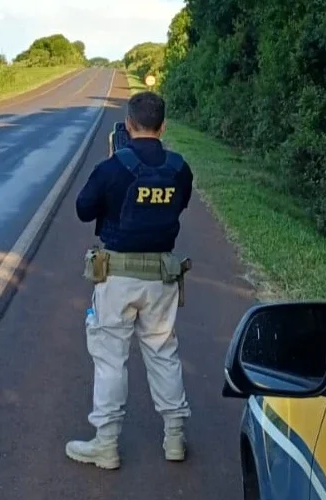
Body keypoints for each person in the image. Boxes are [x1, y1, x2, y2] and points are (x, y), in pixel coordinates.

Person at [67, 91, 194, 470]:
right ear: (163, 126)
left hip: (117, 277)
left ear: (127, 124)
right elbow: (179, 204)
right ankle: (174, 439)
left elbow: (82, 210)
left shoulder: (112, 168)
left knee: (110, 362)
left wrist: (111, 170)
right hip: (161, 278)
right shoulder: (180, 167)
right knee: (163, 354)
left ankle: (106, 445)